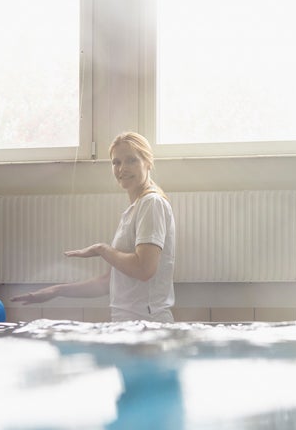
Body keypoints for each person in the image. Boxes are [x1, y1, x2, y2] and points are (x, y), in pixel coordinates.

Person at [11, 131, 176, 322]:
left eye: (131, 160)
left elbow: (144, 269)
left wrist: (102, 249)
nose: (122, 168)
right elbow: (109, 282)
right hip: (130, 322)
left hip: (147, 322)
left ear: (148, 163)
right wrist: (56, 291)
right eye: (116, 162)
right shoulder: (134, 209)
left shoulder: (151, 203)